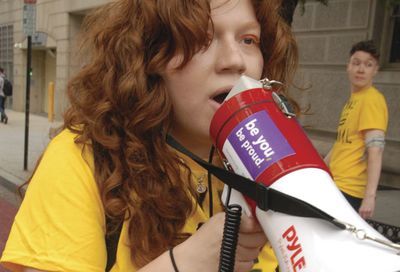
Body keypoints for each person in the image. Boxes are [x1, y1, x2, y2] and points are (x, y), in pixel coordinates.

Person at [0, 0, 299, 271]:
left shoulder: (271, 163)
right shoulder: (82, 158)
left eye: (248, 40)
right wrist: (188, 262)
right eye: (203, 39)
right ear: (149, 58)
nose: (235, 60)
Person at [324, 40, 388, 220]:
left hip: (349, 189)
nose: (361, 69)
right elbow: (342, 144)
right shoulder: (353, 101)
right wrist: (320, 169)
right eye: (356, 62)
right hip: (336, 184)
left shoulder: (372, 100)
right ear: (348, 66)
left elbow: (375, 150)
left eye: (368, 65)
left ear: (375, 70)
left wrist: (370, 197)